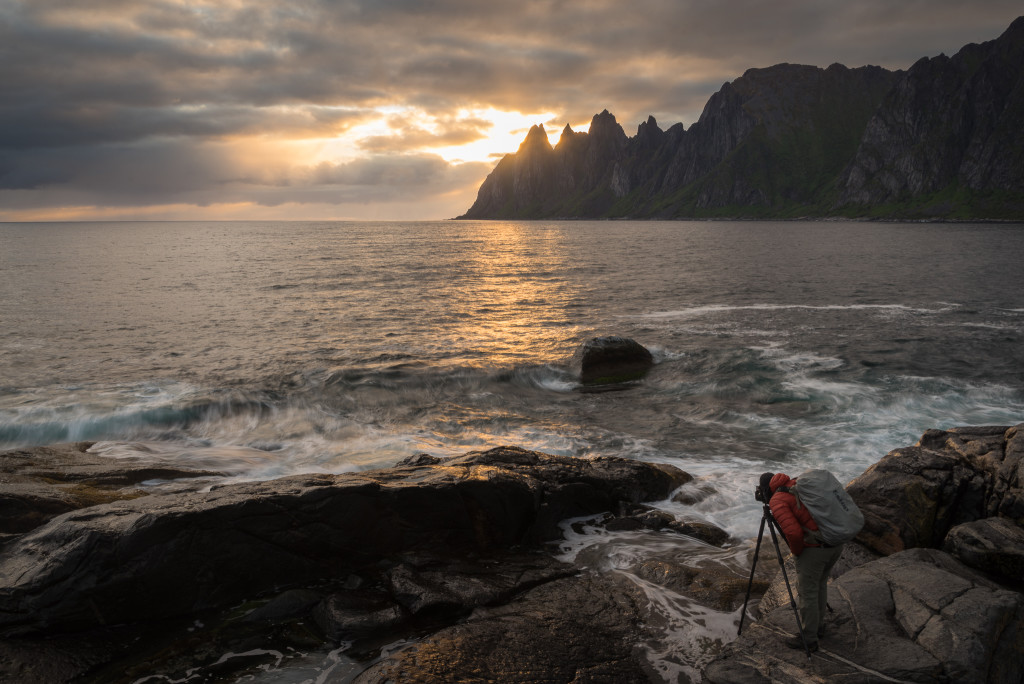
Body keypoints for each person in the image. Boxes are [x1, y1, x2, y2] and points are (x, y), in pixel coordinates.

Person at [764, 471, 844, 652]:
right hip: (835, 542)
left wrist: (797, 552)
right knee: (820, 584)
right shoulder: (799, 484)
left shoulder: (777, 500)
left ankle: (809, 639)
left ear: (766, 490)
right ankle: (819, 627)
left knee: (807, 593)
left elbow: (793, 533)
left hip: (817, 550)